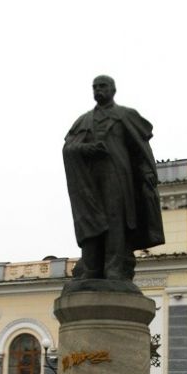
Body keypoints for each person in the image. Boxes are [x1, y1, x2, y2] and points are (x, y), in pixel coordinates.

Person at [62, 75, 165, 282]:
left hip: (119, 177)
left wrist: (147, 173)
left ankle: (114, 268)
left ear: (113, 90)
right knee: (92, 221)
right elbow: (68, 148)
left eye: (103, 86)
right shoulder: (84, 121)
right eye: (95, 87)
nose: (98, 90)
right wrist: (88, 148)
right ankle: (91, 267)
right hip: (89, 183)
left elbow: (140, 149)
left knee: (116, 220)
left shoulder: (125, 115)